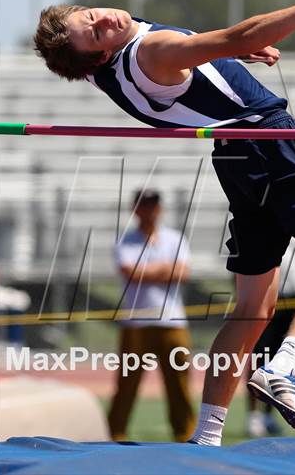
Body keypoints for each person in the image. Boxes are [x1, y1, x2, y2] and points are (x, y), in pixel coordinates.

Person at [34, 0, 295, 445]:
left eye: (93, 16)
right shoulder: (152, 51)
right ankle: (285, 367)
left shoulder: (104, 71)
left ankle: (207, 435)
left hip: (235, 157)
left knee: (254, 309)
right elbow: (237, 36)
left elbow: (214, 51)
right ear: (99, 55)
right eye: (97, 33)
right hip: (274, 142)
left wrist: (223, 55)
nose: (107, 21)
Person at [107, 189, 195, 442]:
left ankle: (184, 433)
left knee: (179, 383)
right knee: (126, 384)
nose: (149, 210)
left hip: (172, 321)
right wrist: (164, 270)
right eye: (144, 205)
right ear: (135, 209)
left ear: (160, 208)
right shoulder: (125, 241)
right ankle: (115, 434)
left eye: (153, 205)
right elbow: (130, 273)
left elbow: (182, 273)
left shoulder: (175, 238)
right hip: (136, 324)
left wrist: (147, 271)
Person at [246, 243, 295, 438]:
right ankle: (254, 415)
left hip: (292, 302)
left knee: (281, 359)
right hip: (267, 298)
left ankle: (269, 415)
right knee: (258, 357)